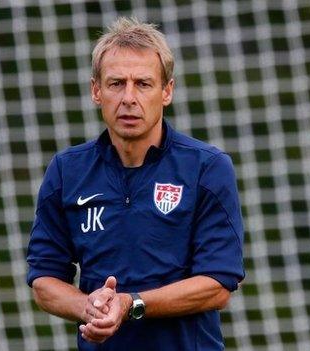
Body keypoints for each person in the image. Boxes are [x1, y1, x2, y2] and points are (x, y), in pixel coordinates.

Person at [26, 17, 245, 350]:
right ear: (96, 90)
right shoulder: (66, 171)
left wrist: (131, 304)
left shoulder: (207, 168)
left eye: (143, 84)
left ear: (167, 91)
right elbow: (44, 281)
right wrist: (87, 307)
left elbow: (217, 286)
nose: (129, 97)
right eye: (116, 84)